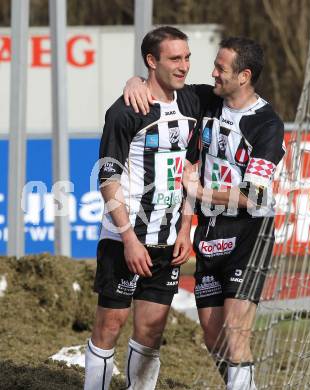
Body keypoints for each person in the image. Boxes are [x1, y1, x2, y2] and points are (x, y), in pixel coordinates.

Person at [124, 36, 285, 390]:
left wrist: (199, 191)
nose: (212, 72)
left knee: (235, 333)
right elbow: (161, 82)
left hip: (249, 235)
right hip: (210, 235)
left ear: (243, 76)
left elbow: (254, 195)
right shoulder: (206, 99)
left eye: (221, 68)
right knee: (214, 339)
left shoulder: (267, 125)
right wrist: (133, 81)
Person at [84, 26, 201, 390]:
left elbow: (190, 172)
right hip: (125, 240)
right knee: (109, 326)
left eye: (187, 58)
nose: (184, 67)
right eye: (174, 59)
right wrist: (128, 238)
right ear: (152, 61)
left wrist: (185, 229)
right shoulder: (125, 111)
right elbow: (108, 179)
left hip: (168, 242)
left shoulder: (193, 102)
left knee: (151, 333)